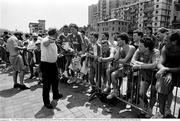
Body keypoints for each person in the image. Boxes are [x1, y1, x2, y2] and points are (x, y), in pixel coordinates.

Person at [131, 37, 160, 115]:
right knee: (141, 93)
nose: (138, 47)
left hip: (155, 77)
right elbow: (132, 61)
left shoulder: (155, 52)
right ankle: (145, 105)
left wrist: (139, 66)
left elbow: (154, 65)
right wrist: (146, 65)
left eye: (141, 46)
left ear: (147, 48)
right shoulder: (139, 50)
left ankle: (150, 109)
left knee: (153, 94)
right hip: (145, 76)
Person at [154, 32, 180, 118]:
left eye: (166, 40)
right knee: (162, 87)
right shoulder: (165, 48)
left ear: (174, 42)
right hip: (169, 72)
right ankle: (162, 113)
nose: (164, 42)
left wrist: (167, 69)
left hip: (175, 72)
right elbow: (159, 63)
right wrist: (164, 70)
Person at [107, 33, 135, 99]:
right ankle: (115, 92)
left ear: (124, 40)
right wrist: (119, 48)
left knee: (131, 86)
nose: (117, 42)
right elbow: (115, 58)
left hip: (132, 69)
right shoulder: (120, 48)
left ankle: (130, 99)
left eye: (119, 40)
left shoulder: (131, 48)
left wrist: (118, 60)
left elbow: (125, 60)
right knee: (113, 74)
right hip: (125, 68)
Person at [40, 28, 63, 109]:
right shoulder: (46, 39)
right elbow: (45, 44)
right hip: (46, 65)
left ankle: (56, 95)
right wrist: (51, 40)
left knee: (55, 81)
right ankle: (46, 102)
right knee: (47, 84)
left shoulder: (53, 40)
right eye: (57, 33)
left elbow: (50, 51)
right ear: (54, 33)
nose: (58, 34)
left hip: (53, 64)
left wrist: (57, 55)